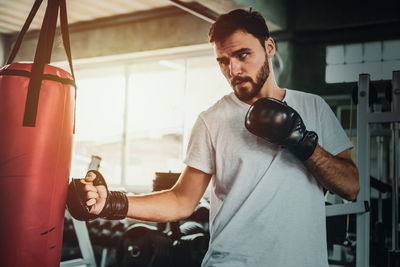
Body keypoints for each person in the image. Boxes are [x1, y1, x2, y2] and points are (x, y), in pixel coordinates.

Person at [69, 9, 359, 267]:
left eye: (243, 55)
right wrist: (113, 203)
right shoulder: (212, 120)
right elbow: (182, 201)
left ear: (269, 47)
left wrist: (303, 143)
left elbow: (350, 187)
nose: (233, 70)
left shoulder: (313, 107)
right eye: (223, 61)